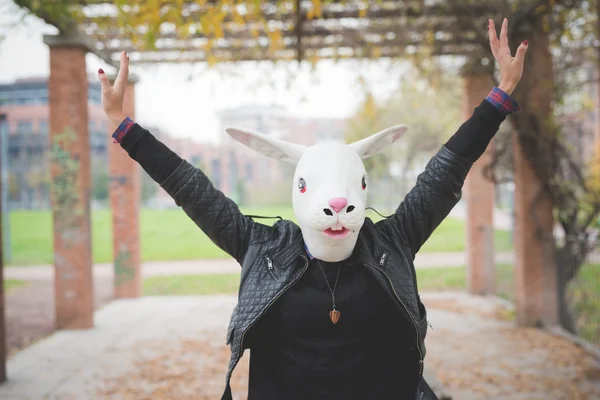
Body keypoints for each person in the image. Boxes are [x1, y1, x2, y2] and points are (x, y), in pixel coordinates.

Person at [98, 18, 527, 400]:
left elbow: (445, 173)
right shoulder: (260, 248)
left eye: (349, 188)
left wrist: (499, 97)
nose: (337, 205)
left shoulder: (392, 241)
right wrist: (124, 126)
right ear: (298, 190)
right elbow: (190, 188)